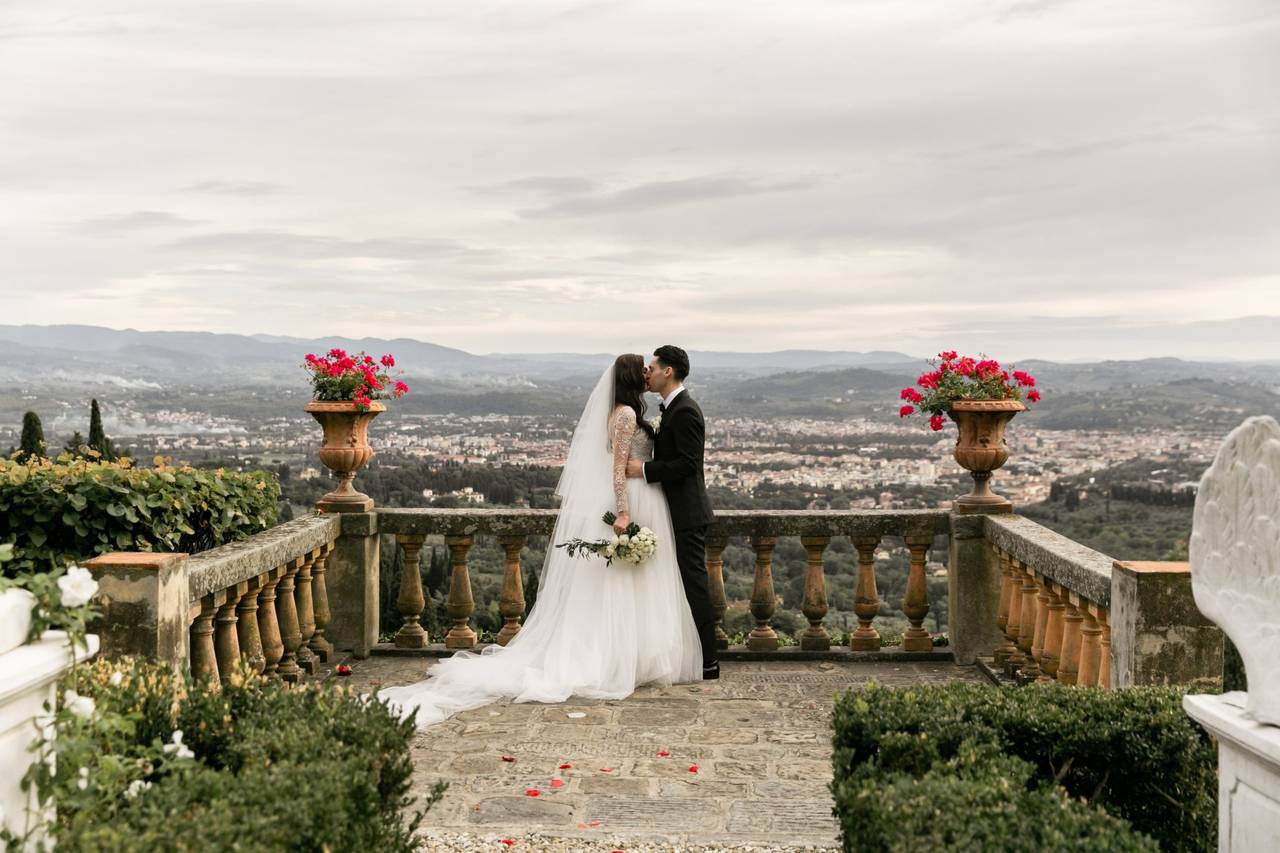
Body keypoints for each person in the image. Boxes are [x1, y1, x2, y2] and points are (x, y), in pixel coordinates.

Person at [377, 354, 702, 728]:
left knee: (624, 585)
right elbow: (617, 470)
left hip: (640, 499)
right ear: (632, 377)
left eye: (652, 368)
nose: (648, 373)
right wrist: (624, 512)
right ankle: (623, 658)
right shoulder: (626, 415)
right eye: (643, 369)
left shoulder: (621, 411)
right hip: (631, 501)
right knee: (623, 585)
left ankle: (630, 656)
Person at [627, 345, 719, 679]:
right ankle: (690, 657)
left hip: (688, 513)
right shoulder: (672, 408)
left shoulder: (685, 411)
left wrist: (645, 470)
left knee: (694, 585)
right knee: (677, 587)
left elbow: (689, 464)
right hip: (674, 512)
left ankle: (708, 662)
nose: (647, 372)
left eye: (652, 367)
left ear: (669, 371)